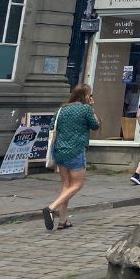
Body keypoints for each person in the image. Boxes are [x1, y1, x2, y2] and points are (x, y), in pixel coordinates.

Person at [45, 84, 100, 231]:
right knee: (77, 184)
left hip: (60, 151)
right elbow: (95, 125)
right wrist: (92, 109)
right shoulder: (85, 109)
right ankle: (51, 208)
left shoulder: (61, 109)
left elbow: (52, 127)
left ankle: (63, 221)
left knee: (66, 186)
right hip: (75, 150)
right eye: (90, 95)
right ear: (86, 96)